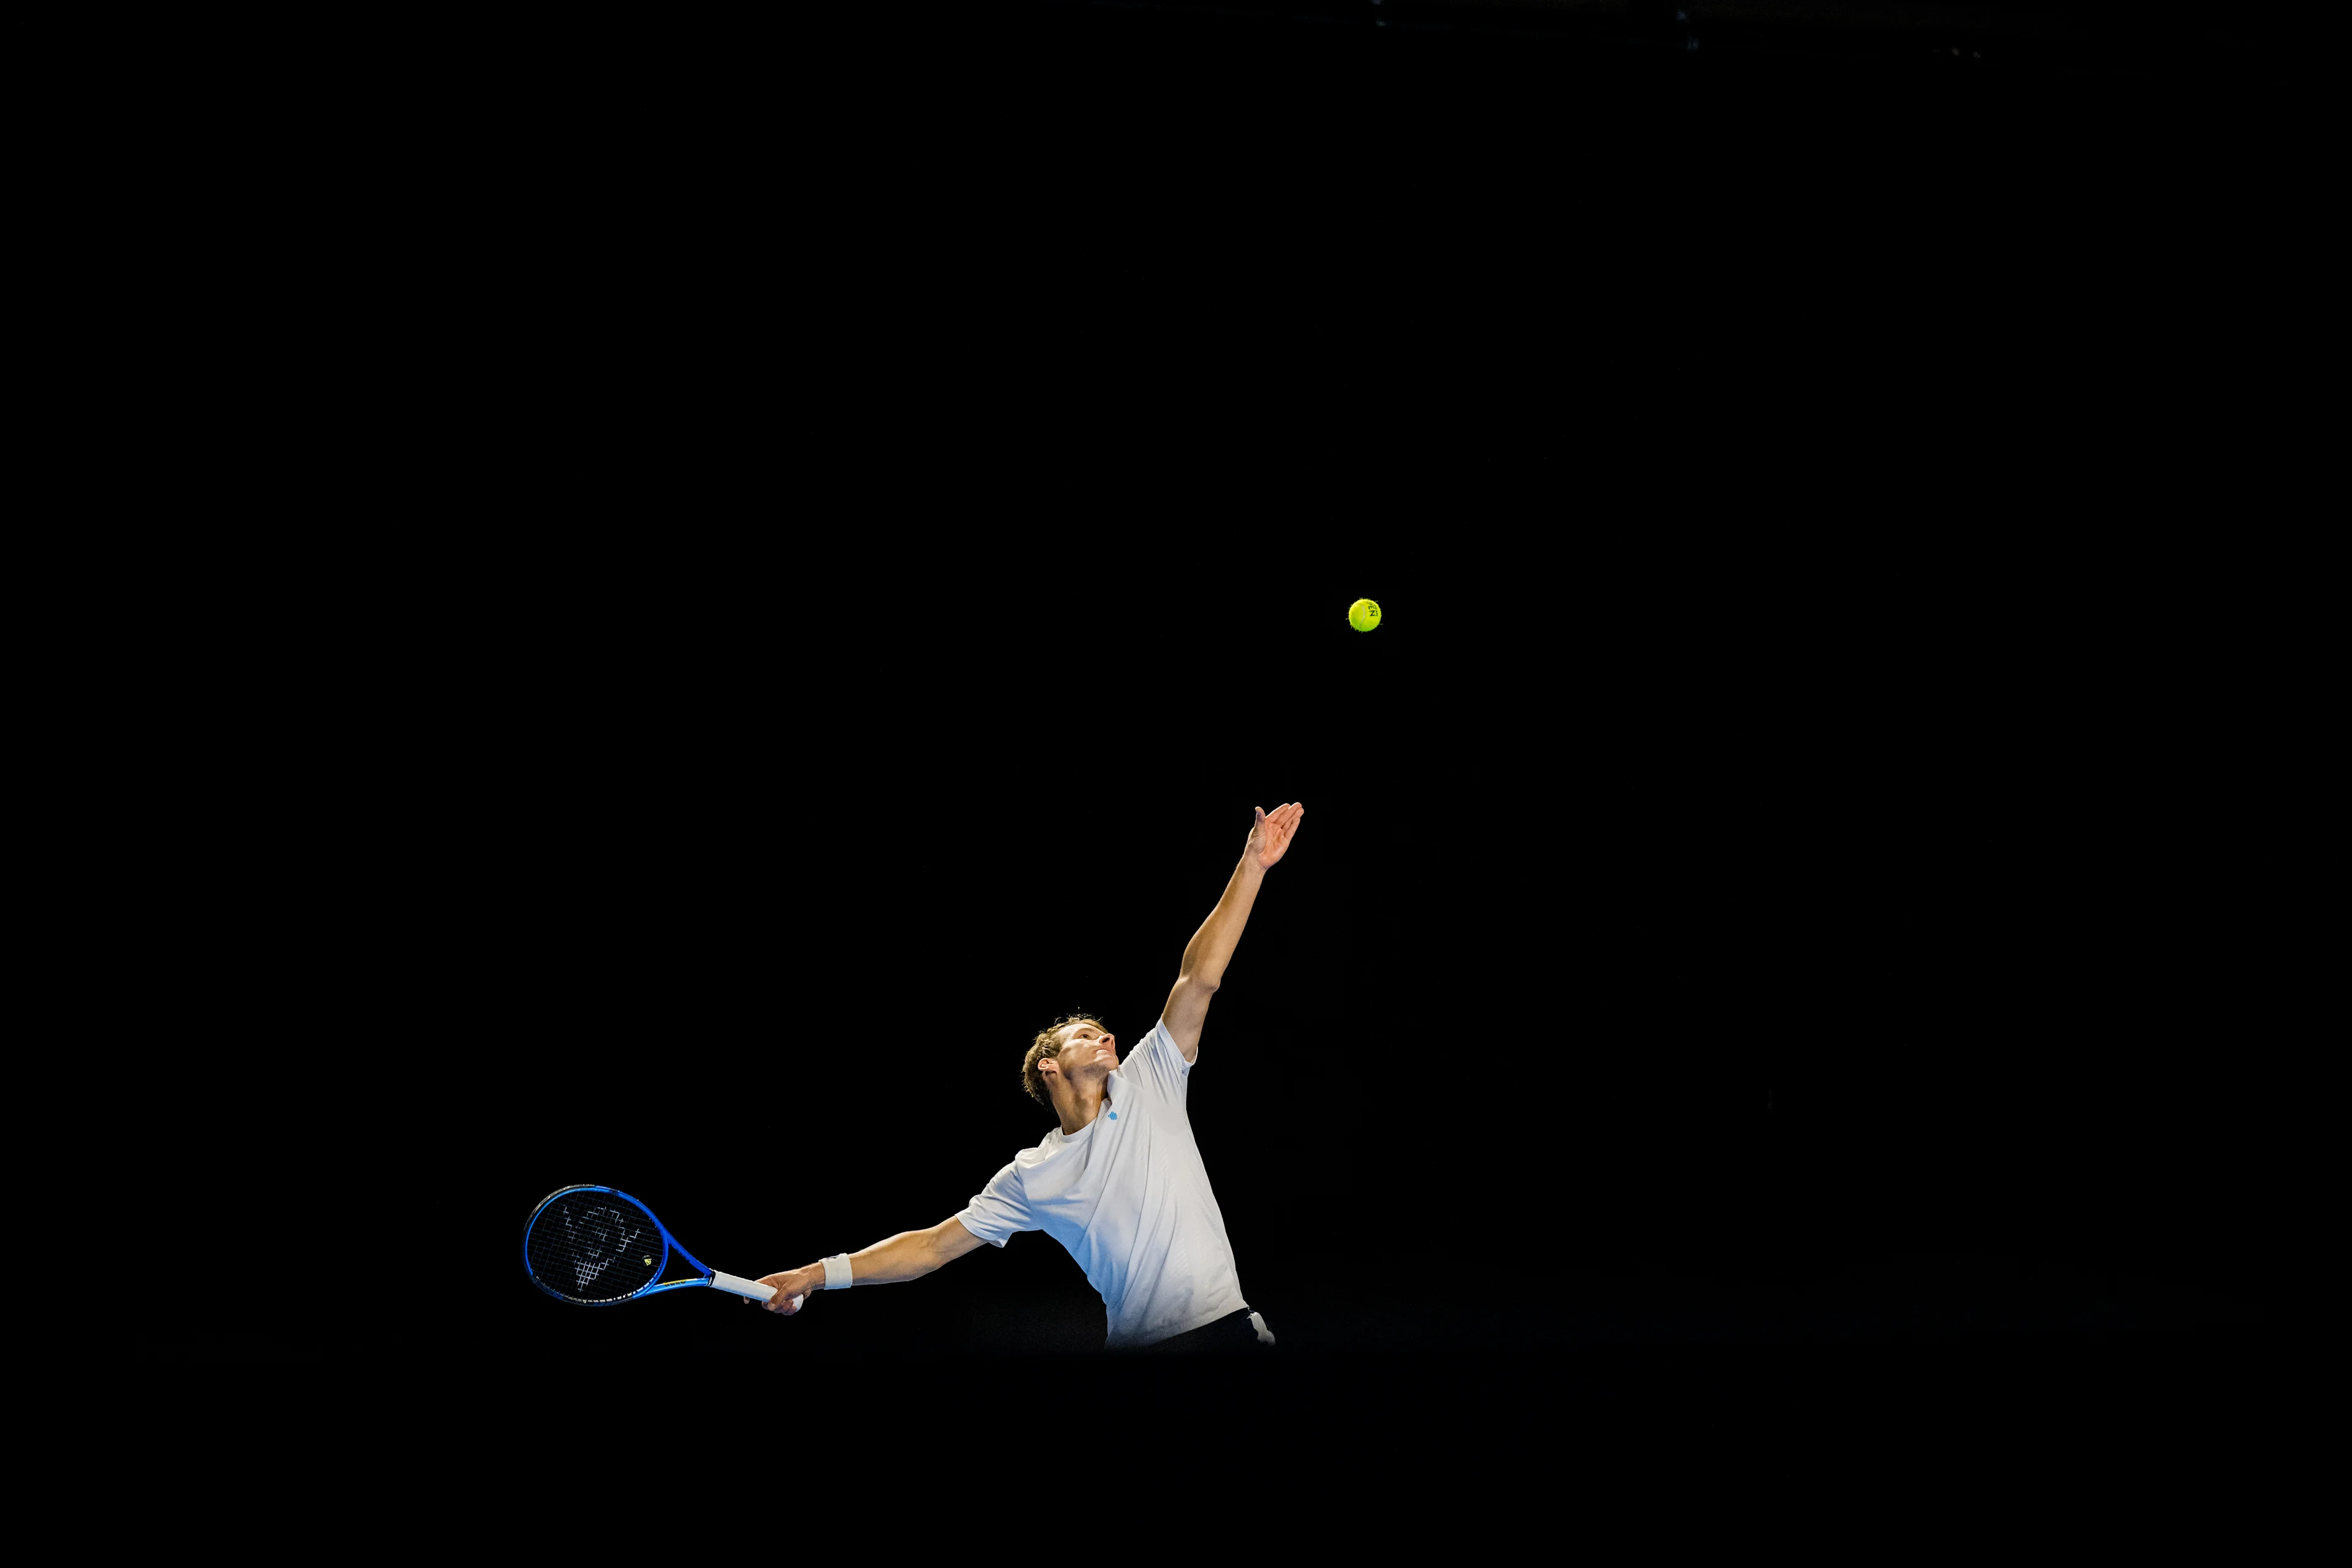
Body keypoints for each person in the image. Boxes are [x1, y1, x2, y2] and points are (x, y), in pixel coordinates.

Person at [756, 802, 1306, 1355]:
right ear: (1049, 1064)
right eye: (1087, 1034)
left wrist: (1252, 866)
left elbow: (1199, 979)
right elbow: (931, 1249)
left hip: (1231, 1335)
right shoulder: (1031, 1176)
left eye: (1106, 1033)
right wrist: (816, 1274)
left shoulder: (1151, 1078)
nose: (1106, 1038)